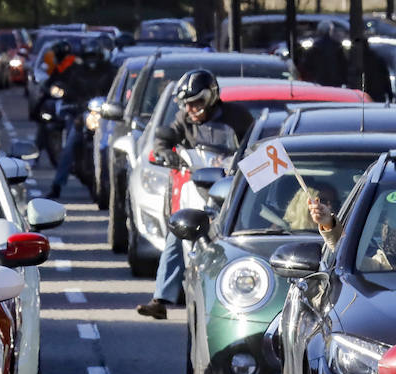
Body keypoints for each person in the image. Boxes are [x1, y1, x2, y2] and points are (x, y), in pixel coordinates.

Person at [137, 70, 253, 320]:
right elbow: (163, 140)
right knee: (175, 234)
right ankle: (161, 298)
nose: (191, 109)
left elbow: (257, 148)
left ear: (212, 97)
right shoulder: (183, 120)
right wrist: (165, 152)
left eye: (197, 102)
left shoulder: (239, 118)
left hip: (232, 194)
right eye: (187, 104)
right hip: (195, 193)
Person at [46, 43, 117, 199]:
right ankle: (57, 185)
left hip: (106, 117)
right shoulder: (76, 73)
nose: (91, 61)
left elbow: (118, 94)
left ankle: (118, 185)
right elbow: (67, 90)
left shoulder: (111, 72)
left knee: (117, 144)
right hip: (82, 114)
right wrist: (72, 102)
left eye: (94, 57)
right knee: (70, 145)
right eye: (88, 57)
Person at [301, 22, 348, 88]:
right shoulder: (337, 45)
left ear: (319, 31)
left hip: (318, 80)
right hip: (335, 81)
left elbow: (307, 64)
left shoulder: (315, 46)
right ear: (330, 31)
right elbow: (344, 64)